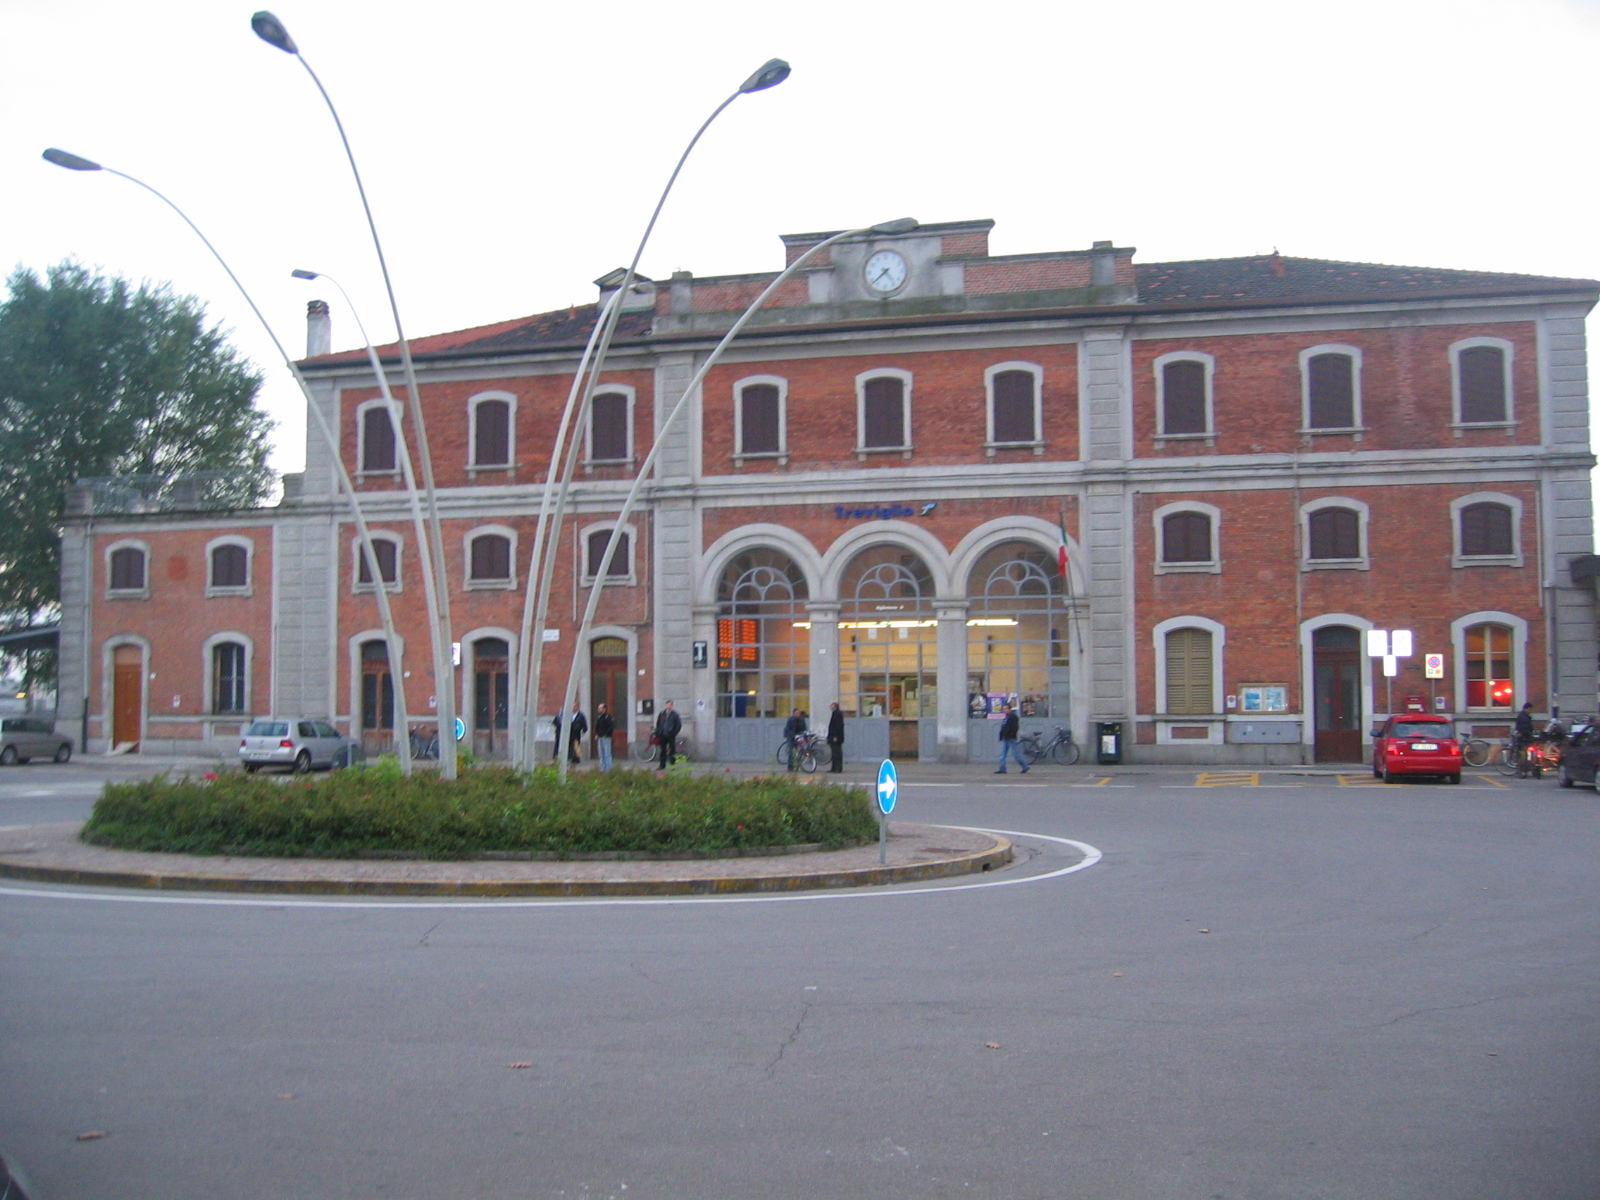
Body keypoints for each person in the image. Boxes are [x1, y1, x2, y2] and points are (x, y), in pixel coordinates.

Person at [995, 702, 1029, 774]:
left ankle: (1025, 766)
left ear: (1010, 709)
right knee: (1002, 754)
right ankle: (1002, 769)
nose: (1004, 710)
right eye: (1004, 709)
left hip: (1011, 738)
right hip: (1005, 738)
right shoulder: (1006, 717)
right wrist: (1001, 735)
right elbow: (1003, 727)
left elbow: (1015, 727)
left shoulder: (1013, 716)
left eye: (1006, 709)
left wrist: (1011, 735)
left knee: (1016, 754)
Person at [654, 700, 682, 769]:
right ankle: (662, 765)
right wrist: (658, 731)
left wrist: (674, 733)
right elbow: (658, 723)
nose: (668, 706)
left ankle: (672, 765)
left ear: (672, 706)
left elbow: (678, 725)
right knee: (662, 751)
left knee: (672, 751)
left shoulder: (675, 715)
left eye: (670, 705)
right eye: (667, 705)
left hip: (670, 735)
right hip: (662, 734)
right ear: (666, 705)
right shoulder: (662, 714)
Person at [1513, 701, 1535, 775]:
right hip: (1525, 738)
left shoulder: (1522, 715)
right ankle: (1524, 769)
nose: (1531, 711)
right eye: (1530, 709)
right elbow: (1526, 727)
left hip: (1523, 737)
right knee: (1524, 754)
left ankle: (1522, 770)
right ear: (1527, 709)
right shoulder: (1524, 717)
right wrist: (1529, 734)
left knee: (1523, 753)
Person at [784, 707, 808, 771]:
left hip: (799, 735)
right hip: (791, 737)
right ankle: (790, 766)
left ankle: (799, 763)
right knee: (791, 752)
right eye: (797, 713)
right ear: (793, 714)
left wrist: (806, 737)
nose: (798, 714)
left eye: (799, 713)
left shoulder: (802, 720)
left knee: (801, 749)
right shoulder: (790, 720)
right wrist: (793, 736)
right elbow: (788, 729)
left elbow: (804, 729)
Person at [593, 702, 615, 771]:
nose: (599, 709)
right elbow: (597, 727)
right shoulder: (599, 717)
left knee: (607, 753)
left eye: (600, 708)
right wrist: (597, 734)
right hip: (600, 737)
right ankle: (602, 768)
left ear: (604, 709)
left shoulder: (608, 717)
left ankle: (608, 768)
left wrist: (606, 734)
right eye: (599, 708)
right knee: (601, 753)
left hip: (606, 737)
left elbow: (611, 727)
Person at [826, 701, 845, 773]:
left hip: (835, 737)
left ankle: (837, 768)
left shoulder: (837, 714)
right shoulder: (836, 713)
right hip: (835, 736)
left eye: (832, 705)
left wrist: (835, 736)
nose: (830, 707)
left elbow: (837, 726)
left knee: (836, 753)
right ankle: (834, 768)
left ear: (835, 706)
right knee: (835, 753)